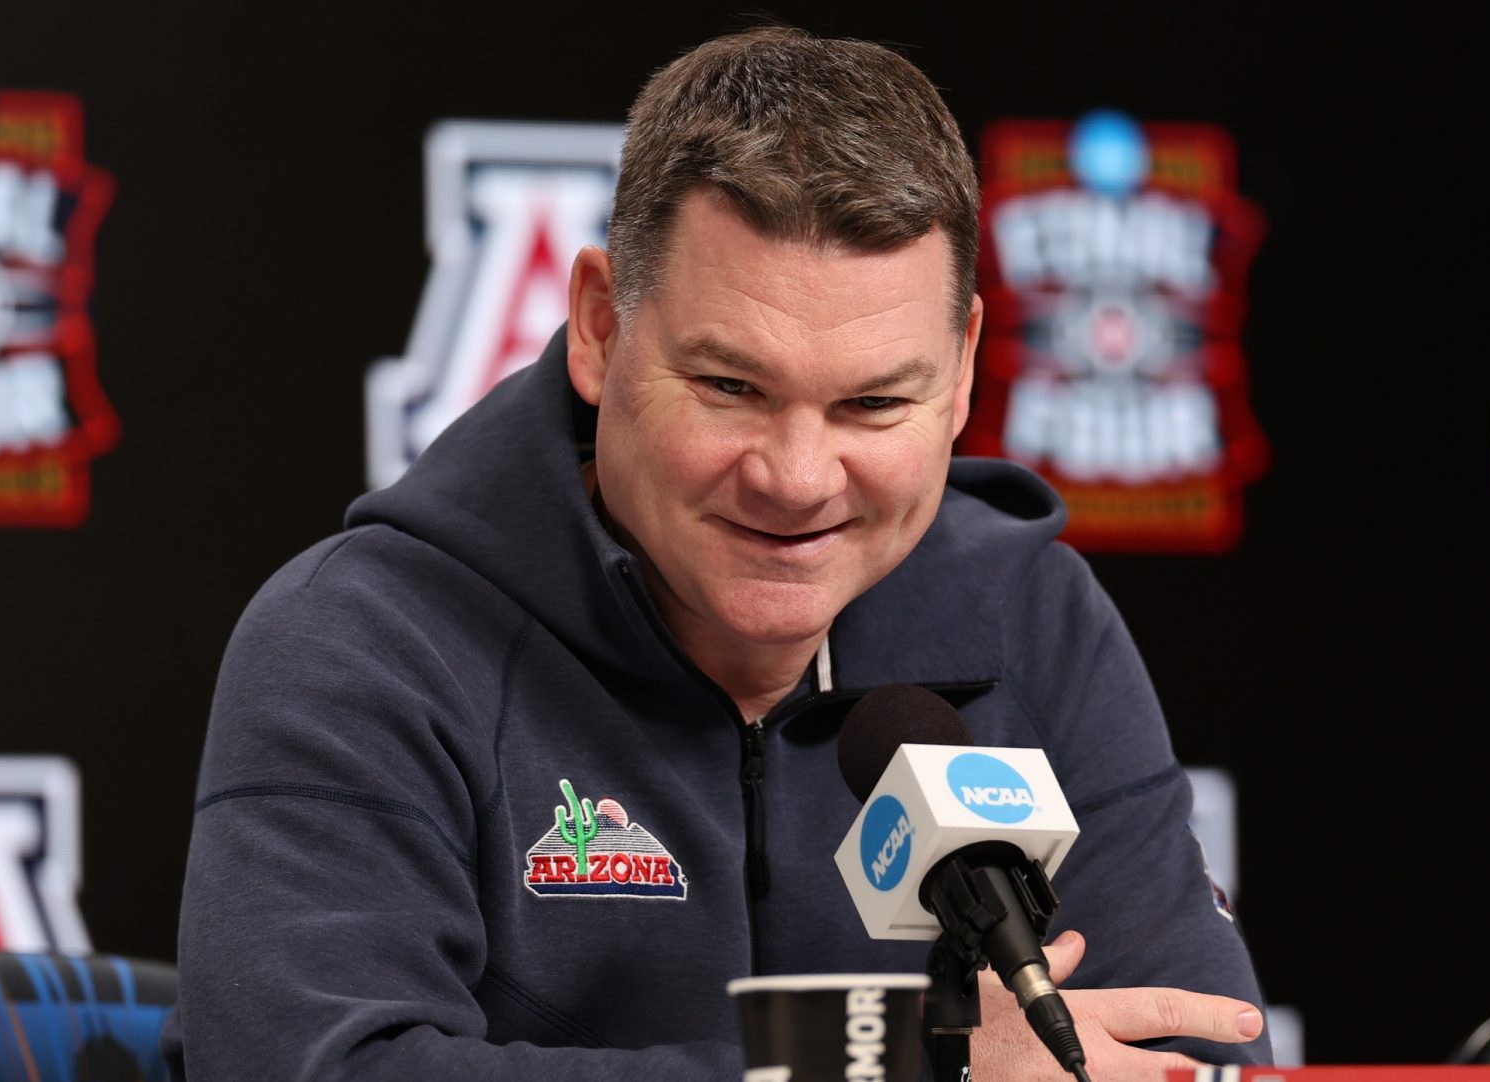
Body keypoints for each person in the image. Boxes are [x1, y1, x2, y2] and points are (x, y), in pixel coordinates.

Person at [166, 26, 1269, 1081]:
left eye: (874, 402)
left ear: (965, 364)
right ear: (600, 326)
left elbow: (1202, 1041)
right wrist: (907, 1056)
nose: (796, 477)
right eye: (731, 387)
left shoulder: (1030, 618)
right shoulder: (364, 641)